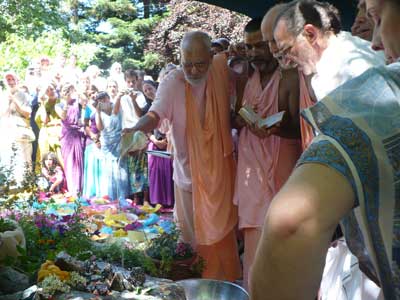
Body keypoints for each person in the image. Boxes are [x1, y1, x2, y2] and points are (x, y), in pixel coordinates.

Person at [250, 0, 400, 299]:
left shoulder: (358, 71)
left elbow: (290, 222)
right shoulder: (330, 67)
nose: (286, 63)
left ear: (309, 34)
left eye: (284, 51)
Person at [122, 31, 241, 281]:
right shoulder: (173, 81)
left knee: (222, 240)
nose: (194, 71)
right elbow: (155, 114)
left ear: (211, 57)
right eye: (188, 64)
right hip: (188, 178)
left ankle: (224, 286)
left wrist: (238, 53)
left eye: (200, 64)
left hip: (221, 176)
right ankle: (196, 288)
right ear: (180, 59)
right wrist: (136, 128)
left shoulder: (220, 70)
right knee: (192, 241)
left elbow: (244, 77)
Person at [232, 18, 302, 290]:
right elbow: (235, 115)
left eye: (260, 46)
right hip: (250, 170)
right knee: (254, 242)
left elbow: (298, 127)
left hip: (280, 166)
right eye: (249, 48)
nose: (254, 54)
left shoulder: (289, 76)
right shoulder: (244, 77)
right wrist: (244, 120)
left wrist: (273, 128)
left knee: (280, 236)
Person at [273, 0, 385, 101]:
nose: (287, 62)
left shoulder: (338, 74)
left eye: (287, 50)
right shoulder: (348, 46)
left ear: (310, 34)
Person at [261, 3, 315, 150]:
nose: (272, 49)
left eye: (275, 40)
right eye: (267, 43)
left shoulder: (333, 69)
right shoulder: (302, 70)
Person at [115, 69, 149, 204]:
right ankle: (135, 197)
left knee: (142, 166)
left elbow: (140, 114)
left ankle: (145, 198)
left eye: (133, 82)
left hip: (138, 132)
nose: (130, 85)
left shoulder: (140, 94)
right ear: (125, 82)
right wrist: (118, 97)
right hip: (127, 133)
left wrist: (134, 100)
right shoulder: (122, 95)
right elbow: (115, 112)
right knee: (131, 167)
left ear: (136, 81)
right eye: (128, 82)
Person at [143, 80, 174, 208]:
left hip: (168, 142)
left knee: (169, 172)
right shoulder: (147, 107)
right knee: (155, 173)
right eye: (145, 90)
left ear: (156, 88)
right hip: (155, 143)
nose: (148, 92)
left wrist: (166, 141)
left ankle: (170, 202)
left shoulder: (167, 102)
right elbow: (147, 128)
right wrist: (155, 140)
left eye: (149, 88)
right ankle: (158, 202)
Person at [0, 72, 34, 185]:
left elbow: (27, 114)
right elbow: (3, 114)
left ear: (16, 80)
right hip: (6, 130)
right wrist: (8, 102)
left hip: (21, 129)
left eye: (12, 79)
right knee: (8, 157)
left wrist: (14, 101)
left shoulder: (23, 95)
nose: (10, 82)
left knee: (23, 158)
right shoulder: (2, 95)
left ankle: (25, 184)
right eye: (8, 80)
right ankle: (9, 185)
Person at [95, 92, 129, 200]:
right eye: (100, 100)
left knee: (121, 169)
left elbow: (116, 115)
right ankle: (111, 197)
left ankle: (122, 197)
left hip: (119, 141)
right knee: (109, 171)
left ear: (109, 98)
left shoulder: (116, 106)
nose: (103, 102)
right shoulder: (98, 112)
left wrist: (118, 97)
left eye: (104, 99)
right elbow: (100, 128)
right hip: (106, 144)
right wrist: (98, 112)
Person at [55, 83, 85, 197]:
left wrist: (77, 90)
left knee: (78, 162)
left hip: (77, 134)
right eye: (64, 90)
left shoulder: (77, 103)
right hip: (67, 135)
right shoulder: (58, 105)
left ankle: (79, 189)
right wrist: (66, 103)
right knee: (69, 162)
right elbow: (63, 116)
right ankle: (72, 190)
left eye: (68, 90)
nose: (66, 92)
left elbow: (84, 100)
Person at [35, 82, 63, 167]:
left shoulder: (61, 102)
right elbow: (45, 120)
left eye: (52, 89)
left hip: (60, 134)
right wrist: (43, 103)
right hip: (47, 135)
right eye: (47, 91)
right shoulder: (43, 105)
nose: (50, 91)